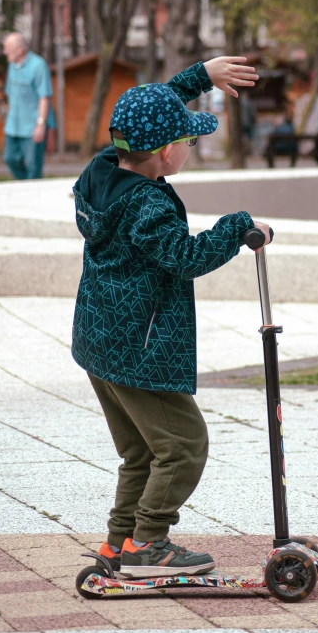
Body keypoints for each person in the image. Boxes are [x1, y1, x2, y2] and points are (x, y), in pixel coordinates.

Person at [72, 56, 271, 577]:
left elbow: (143, 111)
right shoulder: (148, 205)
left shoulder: (102, 171)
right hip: (140, 348)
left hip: (101, 343)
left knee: (141, 451)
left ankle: (119, 544)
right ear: (164, 152)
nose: (191, 147)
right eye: (188, 141)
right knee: (183, 446)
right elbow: (185, 258)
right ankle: (149, 545)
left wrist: (200, 76)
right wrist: (238, 226)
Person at [3, 32, 55, 180]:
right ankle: (24, 187)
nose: (5, 51)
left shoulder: (38, 65)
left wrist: (41, 124)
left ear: (20, 50)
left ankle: (34, 195)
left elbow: (44, 97)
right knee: (10, 158)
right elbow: (10, 95)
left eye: (8, 48)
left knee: (33, 166)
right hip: (13, 126)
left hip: (32, 126)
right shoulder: (12, 66)